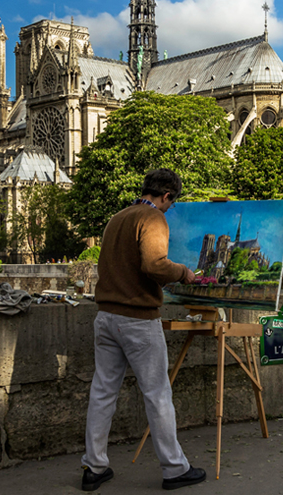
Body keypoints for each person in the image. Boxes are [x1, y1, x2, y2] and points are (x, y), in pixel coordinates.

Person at [81, 168, 207, 492]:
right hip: (136, 319)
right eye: (172, 202)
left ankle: (94, 467)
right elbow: (154, 265)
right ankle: (175, 469)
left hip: (106, 315)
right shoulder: (153, 219)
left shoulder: (117, 218)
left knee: (102, 392)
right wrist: (183, 272)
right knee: (158, 395)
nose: (170, 208)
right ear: (167, 196)